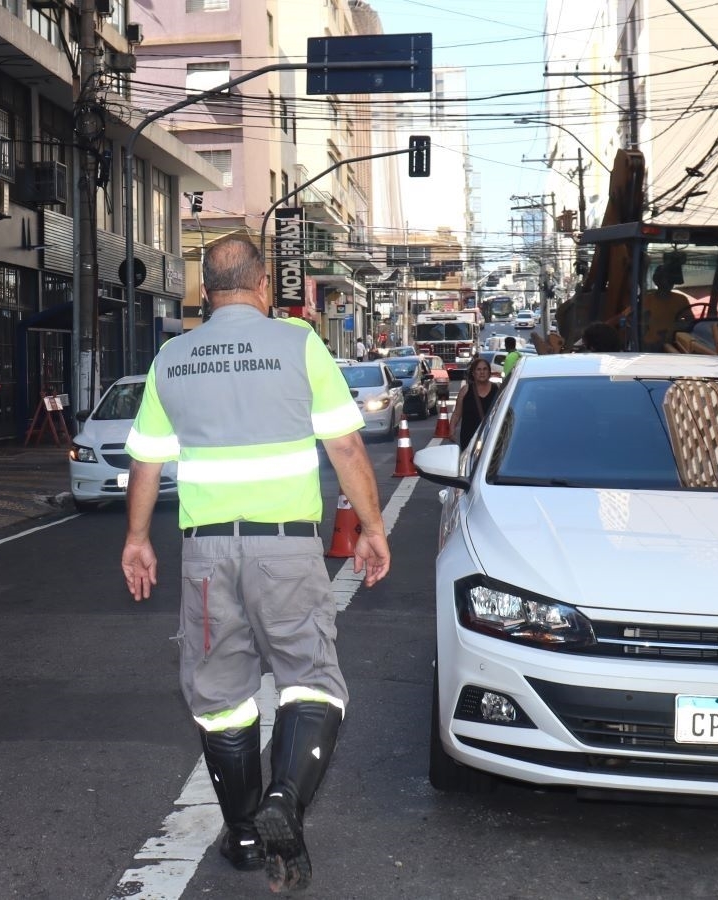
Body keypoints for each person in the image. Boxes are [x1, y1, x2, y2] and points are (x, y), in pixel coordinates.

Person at [120, 238, 391, 893]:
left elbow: (147, 461)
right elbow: (348, 447)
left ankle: (242, 834)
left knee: (221, 703)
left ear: (206, 291)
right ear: (264, 285)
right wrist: (373, 527)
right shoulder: (298, 344)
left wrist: (136, 538)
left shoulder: (172, 356)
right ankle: (284, 802)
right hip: (286, 553)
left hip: (206, 556)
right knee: (312, 683)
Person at [449, 356, 500, 450]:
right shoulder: (465, 391)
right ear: (473, 373)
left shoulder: (497, 390)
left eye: (485, 369)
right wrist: (452, 430)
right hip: (469, 439)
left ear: (489, 372)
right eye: (478, 369)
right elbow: (457, 413)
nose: (482, 372)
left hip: (491, 439)